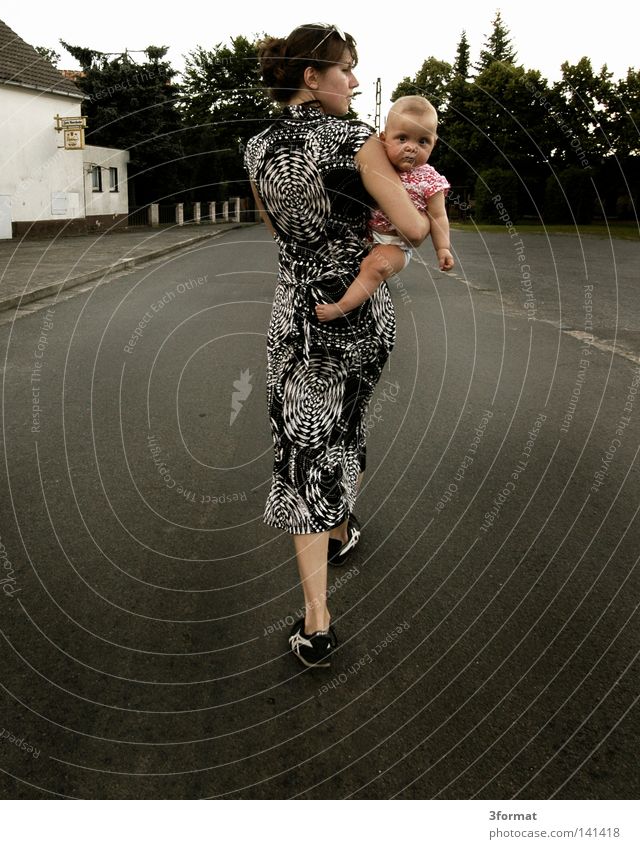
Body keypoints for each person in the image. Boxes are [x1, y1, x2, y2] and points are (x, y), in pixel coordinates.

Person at [244, 24, 428, 668]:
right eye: (346, 68)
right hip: (365, 316)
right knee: (344, 430)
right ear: (311, 77)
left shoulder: (258, 146)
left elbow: (274, 228)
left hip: (300, 318)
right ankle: (342, 526)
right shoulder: (361, 142)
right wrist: (392, 240)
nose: (354, 80)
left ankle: (317, 620)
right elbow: (409, 225)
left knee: (303, 450)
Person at [315, 95, 454, 322]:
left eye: (423, 141)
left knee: (374, 267)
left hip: (396, 245)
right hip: (367, 236)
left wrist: (443, 249)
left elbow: (438, 215)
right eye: (402, 138)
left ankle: (341, 307)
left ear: (434, 143)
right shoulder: (377, 164)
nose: (411, 148)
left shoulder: (431, 179)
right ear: (383, 138)